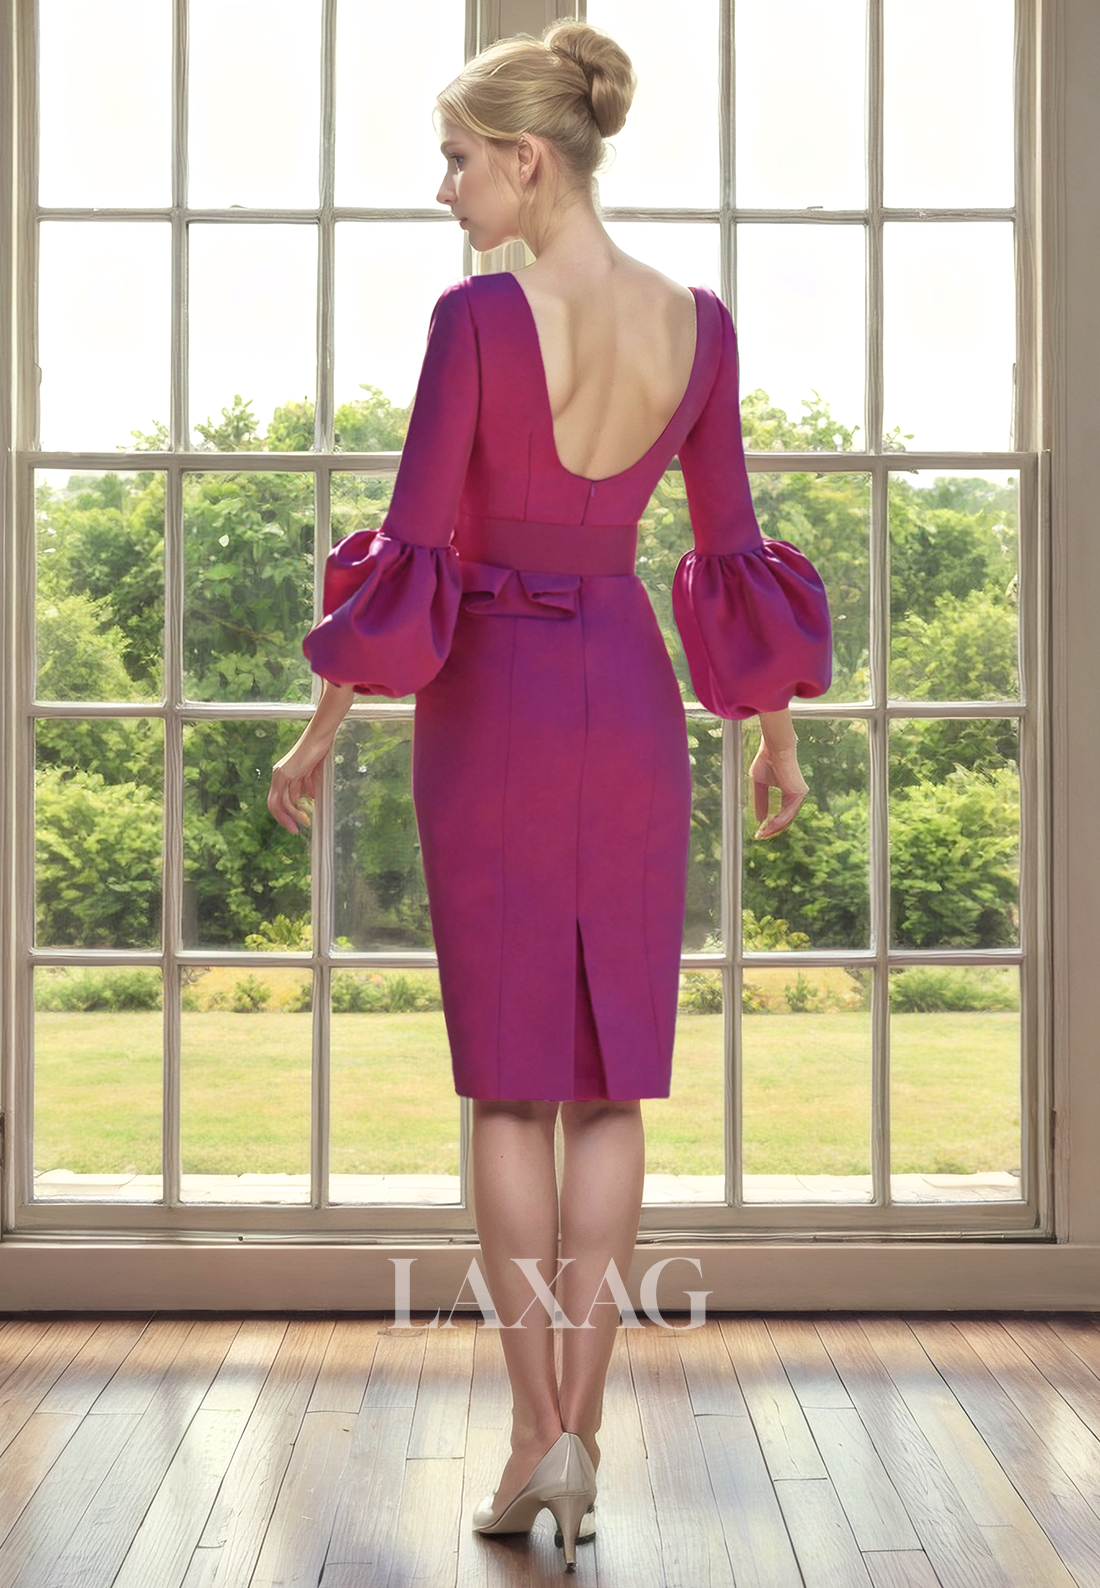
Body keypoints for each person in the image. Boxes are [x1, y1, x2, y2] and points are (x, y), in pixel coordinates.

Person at [268, 19, 831, 1572]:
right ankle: (584, 1427)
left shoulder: (476, 322)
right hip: (629, 701)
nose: (444, 188)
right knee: (612, 1085)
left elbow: (415, 546)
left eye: (457, 160)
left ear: (529, 162)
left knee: (512, 1084)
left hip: (497, 706)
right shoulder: (697, 326)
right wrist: (773, 737)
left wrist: (321, 728)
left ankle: (533, 1442)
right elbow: (726, 545)